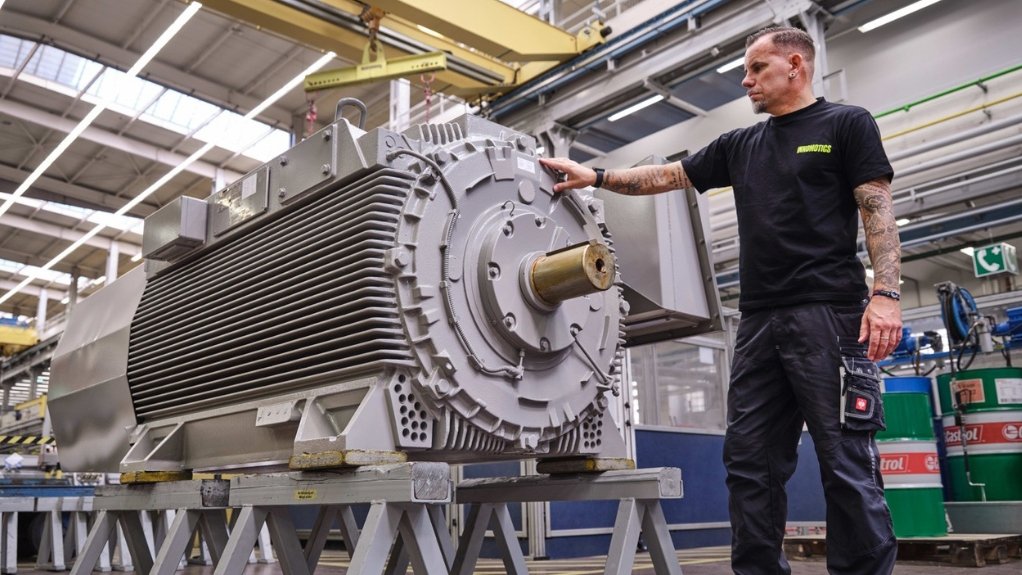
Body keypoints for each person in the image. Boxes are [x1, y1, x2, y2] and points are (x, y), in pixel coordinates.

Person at [540, 26, 902, 575]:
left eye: (757, 68)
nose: (746, 79)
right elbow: (669, 174)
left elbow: (877, 210)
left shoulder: (845, 124)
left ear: (795, 66)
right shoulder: (742, 145)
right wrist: (596, 176)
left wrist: (887, 294)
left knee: (844, 460)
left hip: (829, 315)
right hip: (758, 323)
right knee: (749, 462)